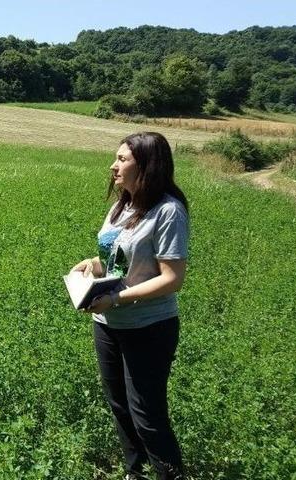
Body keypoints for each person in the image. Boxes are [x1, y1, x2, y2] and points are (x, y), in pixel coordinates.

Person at [71, 132, 189, 480]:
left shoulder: (168, 211)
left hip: (149, 327)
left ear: (147, 165)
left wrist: (118, 297)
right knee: (120, 405)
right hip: (109, 323)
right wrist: (93, 264)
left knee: (147, 413)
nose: (113, 165)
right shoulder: (122, 204)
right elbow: (117, 260)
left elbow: (172, 278)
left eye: (122, 159)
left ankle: (171, 475)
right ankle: (134, 472)